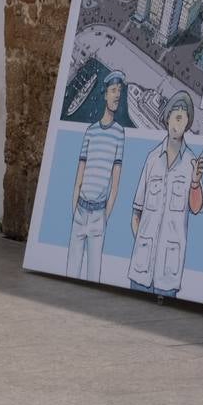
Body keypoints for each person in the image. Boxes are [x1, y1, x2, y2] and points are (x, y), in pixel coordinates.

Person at [127, 90, 203, 298]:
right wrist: (141, 243)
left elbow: (197, 208)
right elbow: (136, 212)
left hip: (169, 272)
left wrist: (196, 182)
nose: (177, 123)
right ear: (167, 118)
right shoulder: (152, 159)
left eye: (183, 118)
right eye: (175, 116)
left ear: (188, 123)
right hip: (140, 270)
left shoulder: (191, 163)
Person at [66, 70, 127, 282]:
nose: (117, 95)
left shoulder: (120, 133)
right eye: (113, 90)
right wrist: (74, 210)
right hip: (80, 211)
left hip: (98, 214)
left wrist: (104, 217)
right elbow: (78, 177)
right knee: (71, 271)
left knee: (94, 275)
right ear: (105, 94)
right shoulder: (90, 132)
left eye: (119, 90)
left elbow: (115, 183)